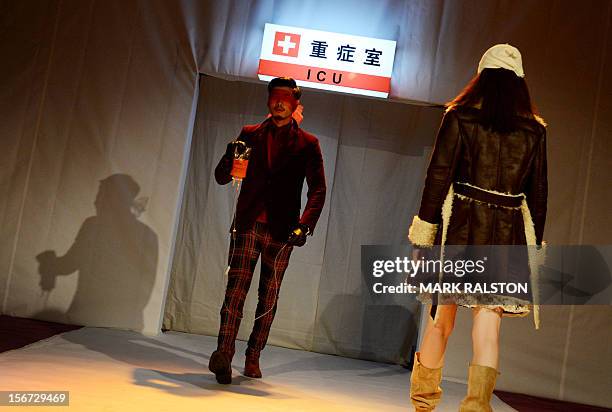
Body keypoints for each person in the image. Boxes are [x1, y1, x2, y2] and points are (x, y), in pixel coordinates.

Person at [407, 44, 547, 411]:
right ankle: (476, 407)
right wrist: (533, 250)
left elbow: (437, 178)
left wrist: (424, 234)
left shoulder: (460, 117)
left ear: (481, 76)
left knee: (442, 320)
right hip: (507, 235)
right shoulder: (534, 129)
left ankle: (423, 404)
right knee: (488, 328)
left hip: (462, 228)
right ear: (519, 81)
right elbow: (539, 195)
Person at [208, 77, 326, 384]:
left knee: (268, 296)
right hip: (248, 223)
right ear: (268, 100)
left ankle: (253, 355)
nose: (279, 102)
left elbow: (318, 189)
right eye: (275, 96)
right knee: (235, 290)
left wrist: (305, 225)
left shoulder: (307, 143)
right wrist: (229, 156)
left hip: (282, 229)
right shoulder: (250, 134)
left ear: (295, 103)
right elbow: (223, 177)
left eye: (286, 97)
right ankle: (223, 354)